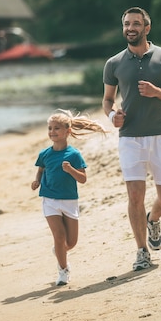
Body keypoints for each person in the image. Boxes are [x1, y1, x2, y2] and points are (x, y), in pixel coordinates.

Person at [102, 7, 161, 271]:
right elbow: (107, 100)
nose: (131, 28)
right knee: (135, 195)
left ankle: (153, 219)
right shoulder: (114, 63)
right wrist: (111, 117)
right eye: (127, 24)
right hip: (130, 139)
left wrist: (158, 92)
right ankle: (141, 251)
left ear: (147, 28)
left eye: (136, 24)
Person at [31, 109, 108, 285]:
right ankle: (63, 270)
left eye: (56, 128)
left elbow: (83, 179)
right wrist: (37, 182)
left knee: (71, 242)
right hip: (49, 200)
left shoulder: (74, 155)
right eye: (50, 128)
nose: (52, 132)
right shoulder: (44, 154)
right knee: (59, 236)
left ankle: (60, 251)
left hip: (69, 201)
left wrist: (71, 170)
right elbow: (41, 169)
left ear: (68, 131)